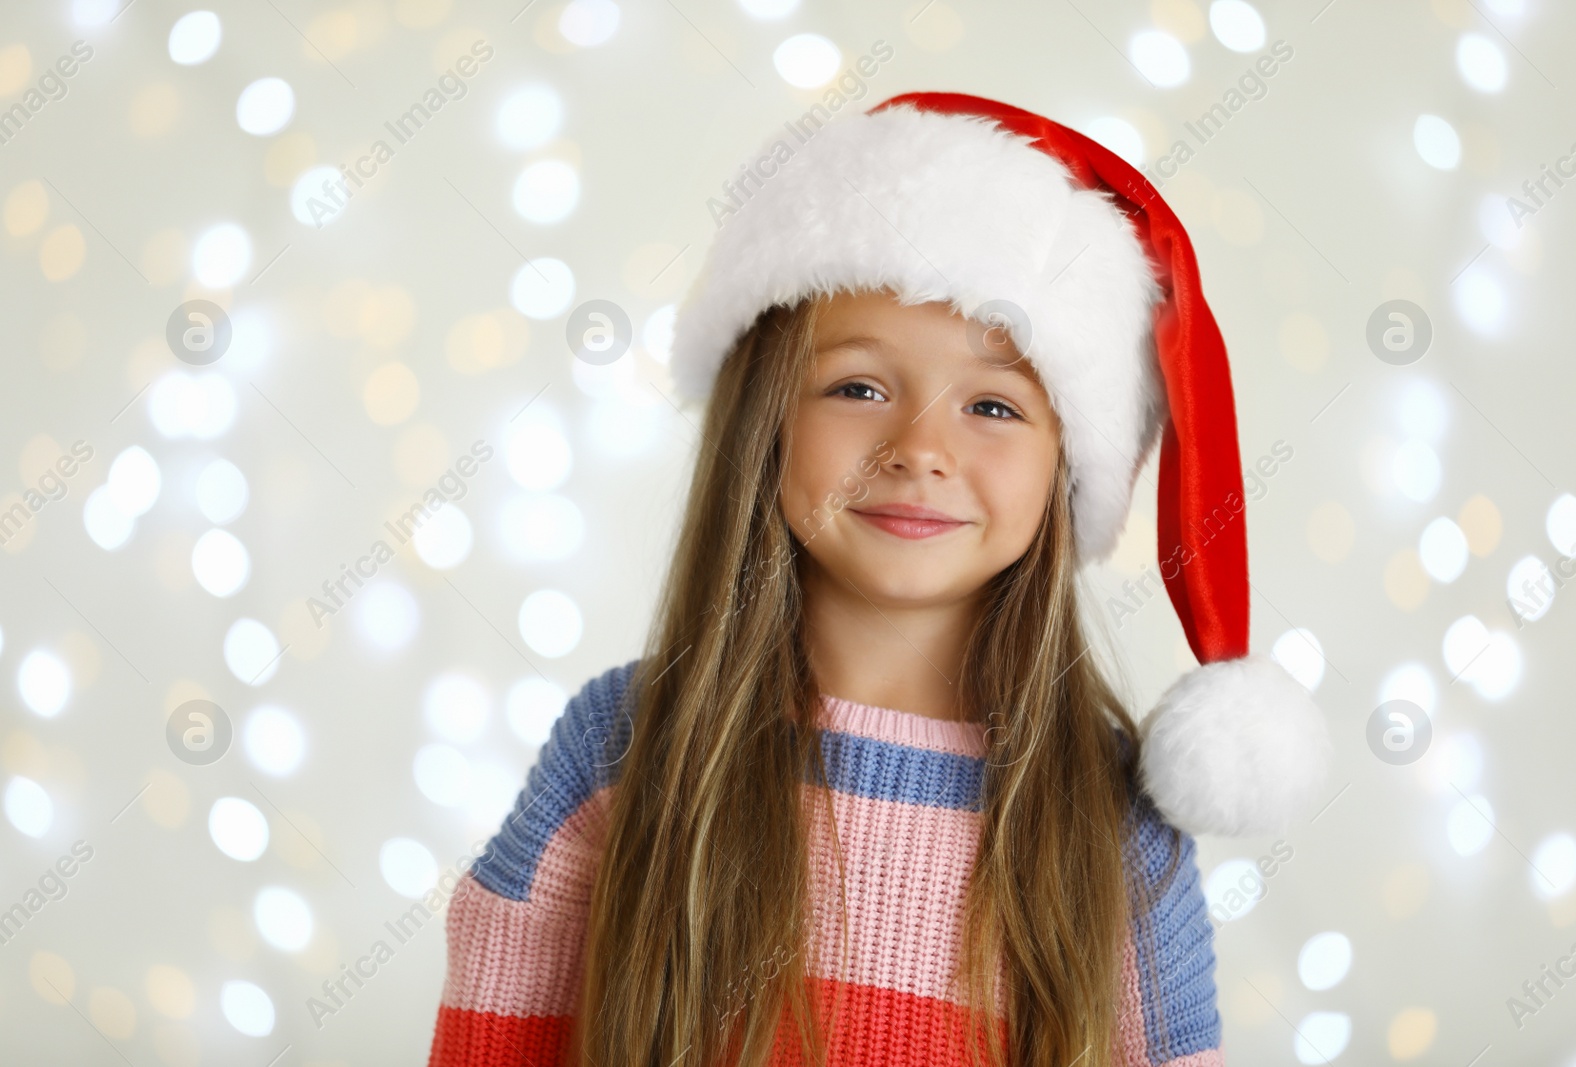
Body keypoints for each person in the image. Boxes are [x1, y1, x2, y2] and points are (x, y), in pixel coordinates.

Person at [425, 91, 1331, 1067]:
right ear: (764, 418)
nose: (920, 448)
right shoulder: (624, 743)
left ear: (1065, 469)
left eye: (992, 403)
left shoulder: (1109, 822)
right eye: (858, 386)